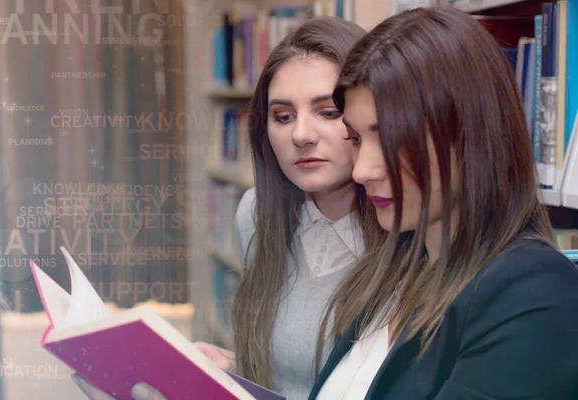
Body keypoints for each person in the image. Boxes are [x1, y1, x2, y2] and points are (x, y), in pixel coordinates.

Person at [73, 16, 382, 400]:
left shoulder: (408, 234)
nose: (301, 134)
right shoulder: (255, 215)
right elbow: (295, 371)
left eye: (328, 112)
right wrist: (232, 370)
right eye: (283, 117)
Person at [307, 6, 578, 400]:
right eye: (356, 139)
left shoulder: (535, 294)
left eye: (392, 139)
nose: (362, 170)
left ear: (469, 134)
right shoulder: (396, 267)